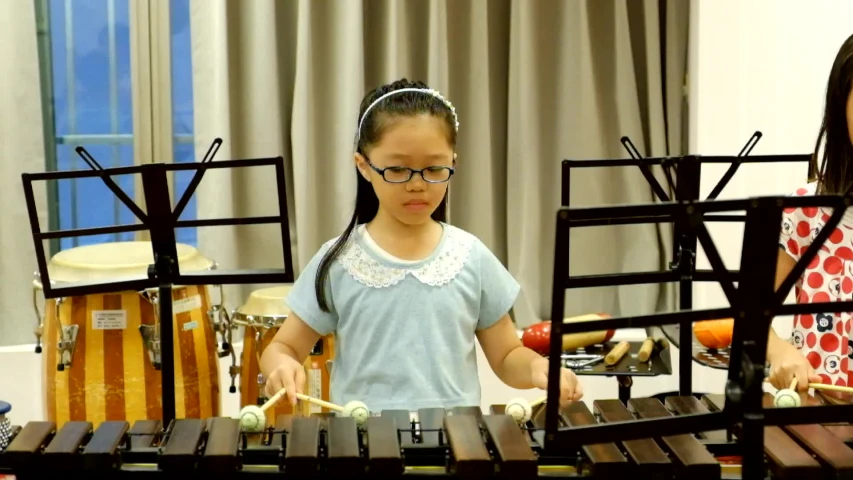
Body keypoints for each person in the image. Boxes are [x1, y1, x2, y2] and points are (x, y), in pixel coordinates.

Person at [259, 79, 583, 412]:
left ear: (453, 163)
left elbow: (506, 356)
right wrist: (281, 365)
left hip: (457, 442)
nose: (417, 185)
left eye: (433, 168)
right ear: (364, 166)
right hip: (364, 445)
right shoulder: (339, 260)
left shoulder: (470, 256)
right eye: (398, 169)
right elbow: (282, 346)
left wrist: (536, 368)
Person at [771, 32, 853, 393]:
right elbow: (745, 318)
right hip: (818, 424)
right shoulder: (804, 211)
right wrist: (778, 350)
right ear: (842, 105)